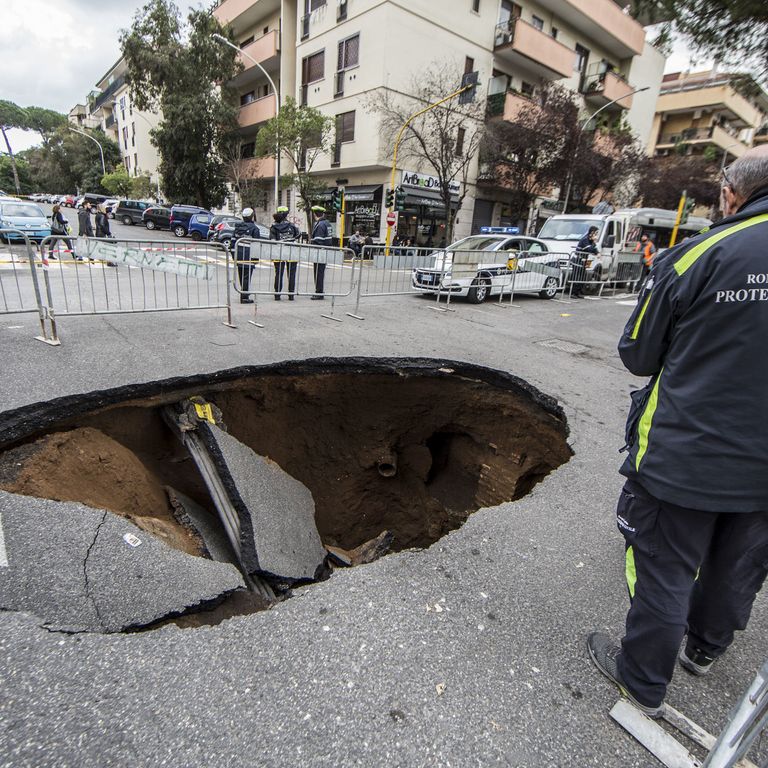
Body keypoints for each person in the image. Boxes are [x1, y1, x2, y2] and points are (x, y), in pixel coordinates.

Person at [587, 145, 768, 719]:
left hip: (686, 454)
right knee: (738, 565)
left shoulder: (701, 255)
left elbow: (638, 353)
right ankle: (704, 651)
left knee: (664, 566)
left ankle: (641, 684)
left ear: (730, 193)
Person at [269, 206, 300, 300]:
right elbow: (298, 234)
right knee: (292, 274)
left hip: (279, 252)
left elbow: (271, 239)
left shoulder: (274, 227)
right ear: (286, 214)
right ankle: (291, 295)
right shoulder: (291, 225)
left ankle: (277, 295)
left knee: (278, 273)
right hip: (292, 252)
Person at [232, 207, 260, 304]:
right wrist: (256, 258)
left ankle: (244, 293)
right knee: (246, 277)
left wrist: (233, 255)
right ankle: (244, 297)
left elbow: (233, 242)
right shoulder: (254, 229)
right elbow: (256, 245)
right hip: (249, 256)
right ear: (252, 216)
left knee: (241, 276)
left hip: (238, 255)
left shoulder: (238, 227)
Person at [310, 205, 332, 300]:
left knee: (318, 272)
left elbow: (318, 240)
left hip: (320, 252)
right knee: (320, 272)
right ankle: (319, 291)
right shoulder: (327, 223)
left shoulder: (320, 225)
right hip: (325, 251)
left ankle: (319, 292)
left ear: (315, 214)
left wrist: (312, 243)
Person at [570, 226, 598, 298]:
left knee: (582, 276)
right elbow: (589, 249)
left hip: (584, 260)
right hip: (578, 259)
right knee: (577, 276)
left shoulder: (590, 240)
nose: (596, 235)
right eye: (596, 233)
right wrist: (594, 242)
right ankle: (573, 293)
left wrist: (597, 252)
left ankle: (578, 292)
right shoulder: (585, 239)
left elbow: (594, 250)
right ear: (592, 232)